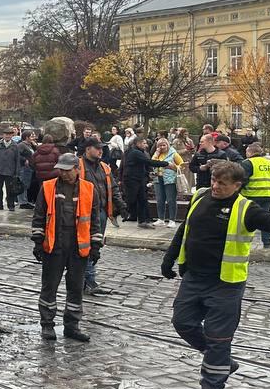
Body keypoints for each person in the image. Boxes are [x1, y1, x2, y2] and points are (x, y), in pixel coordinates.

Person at [162, 161, 270, 389]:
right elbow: (185, 229)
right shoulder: (201, 196)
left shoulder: (247, 209)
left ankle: (212, 387)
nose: (215, 186)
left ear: (237, 186)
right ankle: (223, 360)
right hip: (194, 277)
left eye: (222, 183)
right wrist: (169, 257)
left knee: (218, 338)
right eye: (214, 180)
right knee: (182, 322)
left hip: (225, 283)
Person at [31, 152, 103, 342]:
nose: (63, 174)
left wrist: (96, 246)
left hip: (78, 248)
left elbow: (94, 221)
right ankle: (47, 325)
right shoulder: (48, 188)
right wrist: (38, 242)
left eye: (67, 170)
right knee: (49, 287)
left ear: (77, 169)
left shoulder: (89, 189)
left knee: (76, 288)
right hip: (54, 246)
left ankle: (72, 326)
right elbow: (39, 216)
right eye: (60, 170)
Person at [79, 138, 123, 295]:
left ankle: (86, 280)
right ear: (87, 149)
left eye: (102, 148)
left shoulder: (104, 167)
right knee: (87, 246)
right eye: (97, 148)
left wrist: (121, 205)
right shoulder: (79, 166)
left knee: (95, 245)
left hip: (102, 213)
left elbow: (113, 187)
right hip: (84, 213)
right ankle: (88, 280)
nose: (101, 151)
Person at [122, 136, 171, 229]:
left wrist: (148, 173)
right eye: (144, 143)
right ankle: (116, 213)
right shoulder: (135, 152)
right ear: (138, 143)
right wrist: (166, 164)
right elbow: (148, 162)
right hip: (132, 180)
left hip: (139, 179)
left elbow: (143, 165)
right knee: (131, 200)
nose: (146, 145)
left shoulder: (139, 152)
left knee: (142, 200)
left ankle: (142, 221)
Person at [240, 142, 270, 249]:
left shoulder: (247, 163)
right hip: (268, 194)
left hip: (252, 194)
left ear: (249, 152)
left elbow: (243, 179)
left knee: (247, 217)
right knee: (265, 218)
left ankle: (245, 242)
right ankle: (267, 242)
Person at [152, 137, 184, 227]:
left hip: (170, 179)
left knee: (171, 200)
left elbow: (182, 165)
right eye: (160, 145)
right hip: (158, 178)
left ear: (167, 145)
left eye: (164, 145)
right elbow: (152, 162)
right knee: (159, 199)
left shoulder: (174, 154)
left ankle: (172, 220)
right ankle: (161, 219)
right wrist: (157, 153)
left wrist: (174, 167)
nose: (162, 147)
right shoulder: (157, 153)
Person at [0, 126, 21, 210]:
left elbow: (17, 159)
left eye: (9, 135)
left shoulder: (15, 146)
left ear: (12, 136)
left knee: (10, 189)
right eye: (6, 135)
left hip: (10, 171)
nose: (7, 136)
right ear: (3, 135)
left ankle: (11, 205)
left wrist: (17, 171)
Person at [16, 130, 37, 209]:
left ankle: (25, 200)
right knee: (23, 184)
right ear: (26, 137)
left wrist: (34, 145)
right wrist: (24, 160)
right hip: (24, 168)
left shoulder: (30, 145)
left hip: (29, 168)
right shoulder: (21, 145)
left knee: (26, 184)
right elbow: (17, 155)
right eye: (31, 136)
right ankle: (22, 202)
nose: (33, 138)